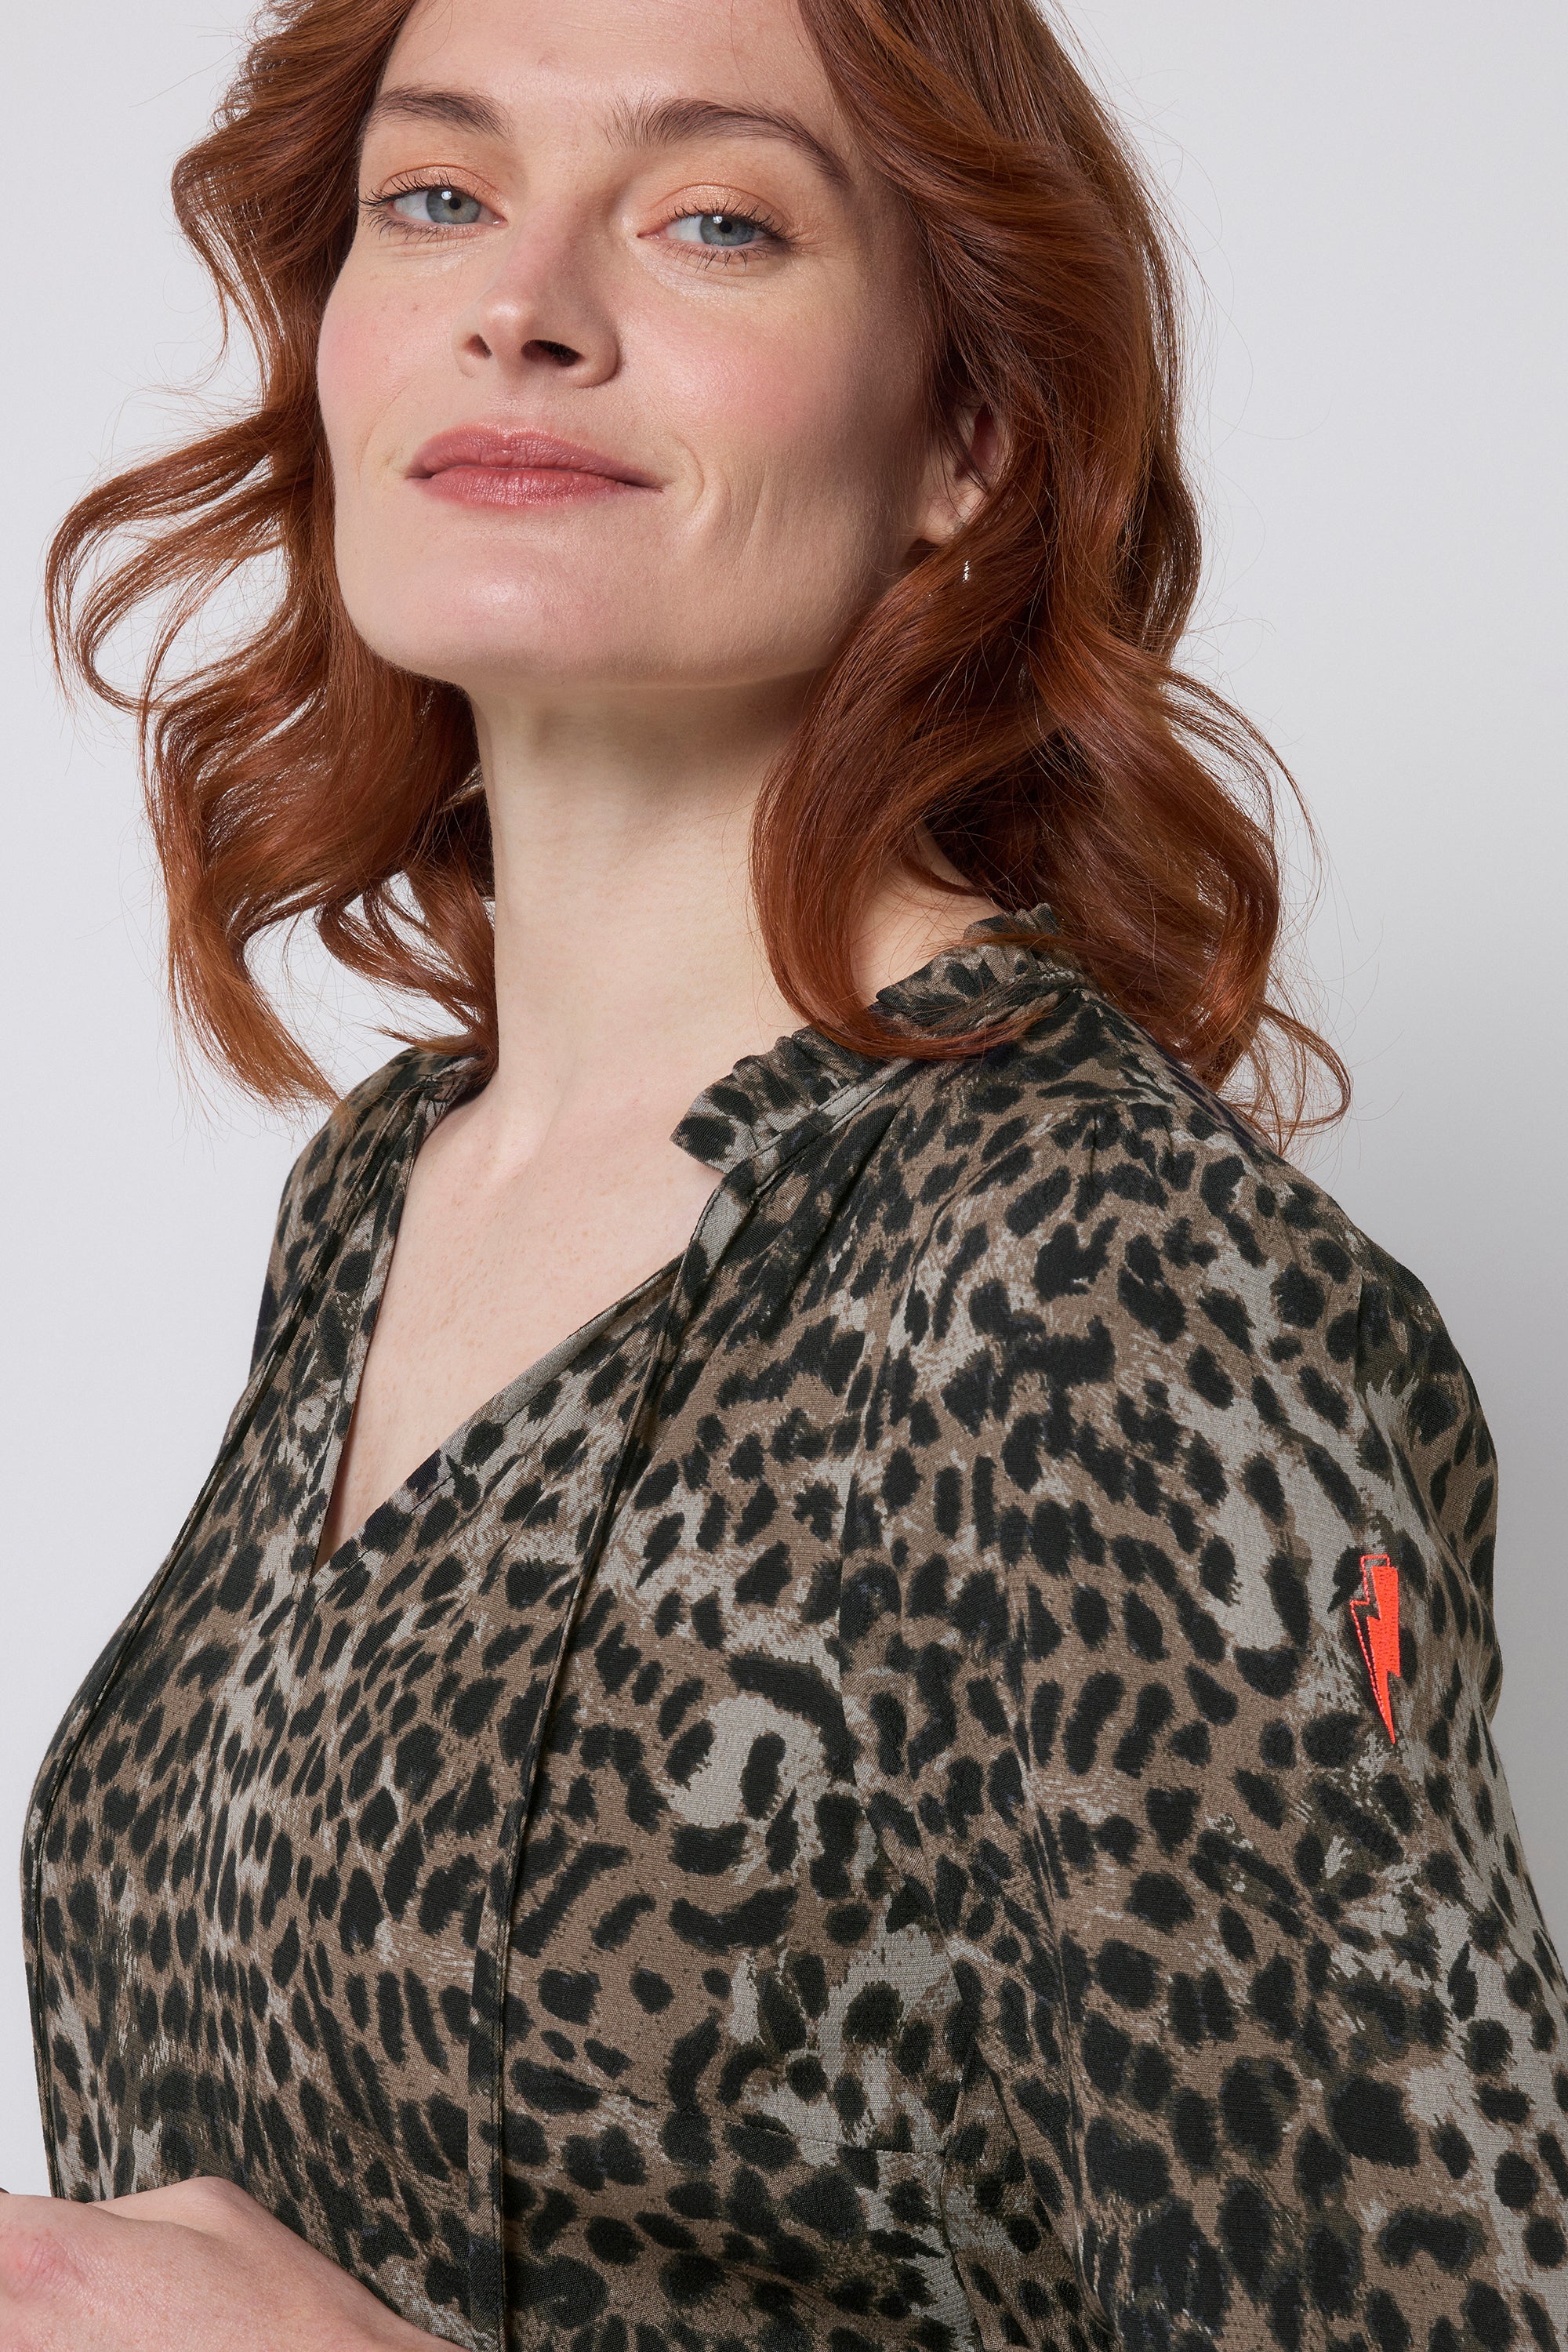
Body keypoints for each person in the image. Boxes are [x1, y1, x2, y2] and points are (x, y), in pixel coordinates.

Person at [17, 0, 1566, 2344]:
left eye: (716, 220)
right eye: (434, 196)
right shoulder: (380, 1195)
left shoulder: (1104, 1286)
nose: (520, 301)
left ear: (964, 433)